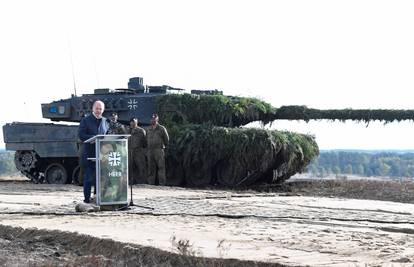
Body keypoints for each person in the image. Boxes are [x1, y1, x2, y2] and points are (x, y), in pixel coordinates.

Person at [78, 100, 109, 203]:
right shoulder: (86, 120)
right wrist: (94, 138)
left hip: (101, 154)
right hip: (89, 154)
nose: (98, 111)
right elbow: (81, 135)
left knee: (99, 179)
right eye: (97, 108)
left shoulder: (105, 121)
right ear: (93, 109)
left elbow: (107, 135)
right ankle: (87, 199)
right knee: (88, 178)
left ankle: (97, 198)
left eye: (100, 109)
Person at [146, 114, 169, 185]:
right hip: (150, 150)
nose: (153, 120)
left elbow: (166, 139)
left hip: (159, 150)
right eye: (152, 119)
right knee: (151, 167)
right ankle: (151, 183)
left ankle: (162, 183)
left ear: (157, 119)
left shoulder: (162, 128)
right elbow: (146, 139)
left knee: (161, 167)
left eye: (154, 118)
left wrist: (164, 147)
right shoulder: (148, 129)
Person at [128, 118, 147, 184]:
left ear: (136, 122)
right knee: (130, 167)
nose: (132, 123)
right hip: (130, 151)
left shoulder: (141, 131)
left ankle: (142, 182)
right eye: (131, 122)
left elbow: (145, 142)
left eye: (133, 122)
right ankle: (131, 181)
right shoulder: (128, 131)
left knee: (141, 166)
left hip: (138, 151)